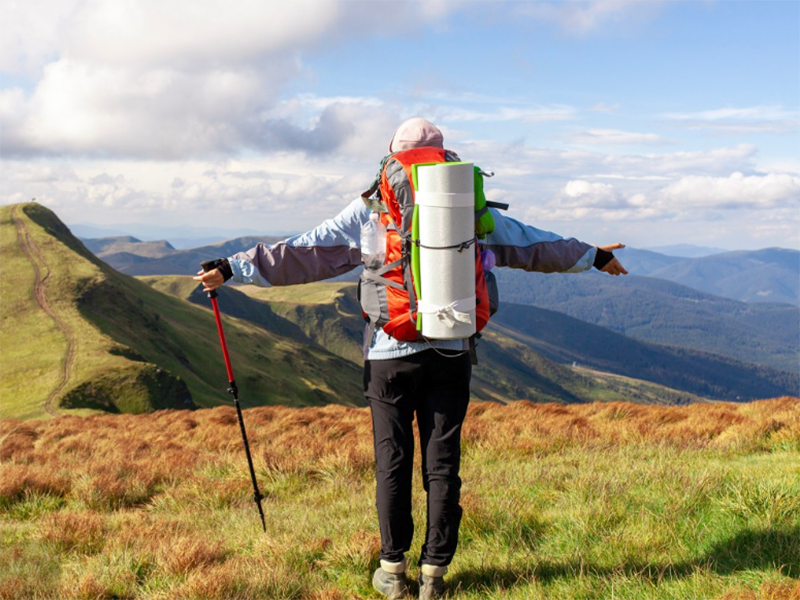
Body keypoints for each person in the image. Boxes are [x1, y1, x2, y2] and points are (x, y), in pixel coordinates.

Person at [195, 118, 628, 599]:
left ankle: (393, 572)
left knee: (393, 462)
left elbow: (303, 252)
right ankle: (434, 575)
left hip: (389, 354)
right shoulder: (466, 204)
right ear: (445, 156)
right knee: (443, 464)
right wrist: (592, 255)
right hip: (451, 351)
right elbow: (529, 244)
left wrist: (233, 266)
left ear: (392, 157)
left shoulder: (372, 208)